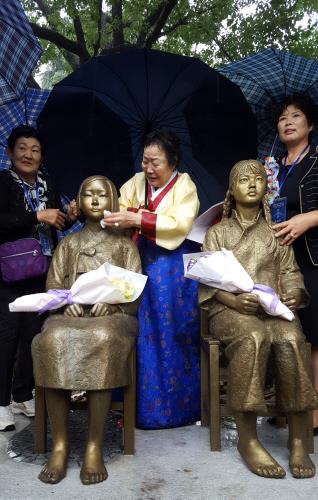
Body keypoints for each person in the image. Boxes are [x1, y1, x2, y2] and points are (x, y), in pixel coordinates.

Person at [199, 159, 318, 479]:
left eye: (257, 179)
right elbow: (207, 283)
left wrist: (296, 293)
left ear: (266, 188)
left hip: (273, 309)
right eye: (242, 179)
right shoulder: (217, 233)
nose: (251, 184)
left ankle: (296, 438)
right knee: (253, 336)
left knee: (291, 339)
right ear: (231, 190)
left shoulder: (276, 233)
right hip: (229, 312)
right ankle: (248, 439)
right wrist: (233, 300)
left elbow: (291, 274)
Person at [32, 175, 141, 485]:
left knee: (103, 337)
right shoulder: (68, 244)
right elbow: (53, 286)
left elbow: (134, 291)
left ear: (114, 202)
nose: (95, 200)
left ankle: (94, 445)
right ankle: (60, 444)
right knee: (50, 339)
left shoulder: (124, 246)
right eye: (89, 195)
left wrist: (116, 305)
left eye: (102, 195)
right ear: (78, 203)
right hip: (70, 316)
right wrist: (65, 304)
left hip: (113, 318)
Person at [103, 130, 200, 429]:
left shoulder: (185, 185)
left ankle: (178, 410)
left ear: (172, 161)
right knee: (137, 332)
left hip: (172, 273)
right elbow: (118, 209)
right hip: (137, 262)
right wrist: (121, 217)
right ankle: (132, 409)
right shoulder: (135, 182)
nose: (148, 169)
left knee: (173, 334)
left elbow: (180, 224)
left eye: (155, 162)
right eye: (145, 161)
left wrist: (137, 218)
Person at [0, 125, 76, 432]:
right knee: (7, 336)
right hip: (9, 271)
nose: (28, 154)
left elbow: (57, 223)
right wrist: (36, 216)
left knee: (34, 332)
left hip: (43, 267)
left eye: (35, 149)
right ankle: (1, 403)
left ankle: (21, 394)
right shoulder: (3, 183)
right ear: (10, 152)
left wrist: (71, 215)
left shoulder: (49, 182)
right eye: (22, 148)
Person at [271, 93, 318, 432]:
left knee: (314, 336)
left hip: (313, 258)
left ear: (310, 124)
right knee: (283, 329)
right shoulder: (270, 165)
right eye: (283, 117)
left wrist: (308, 219)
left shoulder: (317, 159)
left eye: (296, 116)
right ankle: (286, 406)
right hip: (277, 260)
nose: (287, 121)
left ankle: (315, 413)